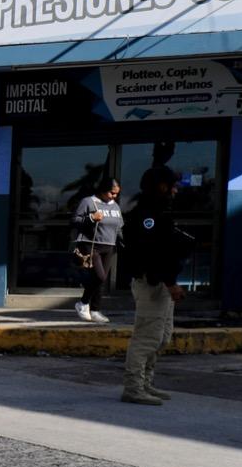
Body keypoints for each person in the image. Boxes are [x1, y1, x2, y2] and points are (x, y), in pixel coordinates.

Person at [121, 166, 188, 405]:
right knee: (147, 337)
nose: (175, 189)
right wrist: (170, 283)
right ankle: (134, 387)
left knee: (162, 337)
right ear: (161, 186)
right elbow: (152, 254)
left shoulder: (160, 211)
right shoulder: (147, 214)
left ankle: (146, 383)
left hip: (163, 283)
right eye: (171, 185)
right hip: (153, 283)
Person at [71, 179, 123, 323]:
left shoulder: (115, 206)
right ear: (103, 190)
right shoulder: (88, 202)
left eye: (117, 194)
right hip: (91, 245)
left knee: (100, 280)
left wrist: (124, 242)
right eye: (112, 193)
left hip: (109, 246)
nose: (114, 196)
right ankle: (82, 303)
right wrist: (91, 218)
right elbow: (75, 220)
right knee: (100, 277)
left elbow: (119, 227)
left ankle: (95, 310)